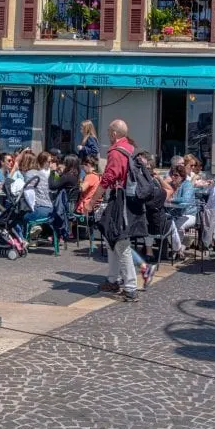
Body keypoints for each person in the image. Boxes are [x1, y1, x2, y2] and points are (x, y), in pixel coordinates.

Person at [83, 119, 139, 301]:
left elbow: (107, 179)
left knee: (121, 243)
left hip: (118, 199)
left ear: (114, 133)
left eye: (109, 131)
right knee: (111, 240)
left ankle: (130, 287)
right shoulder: (130, 148)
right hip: (127, 199)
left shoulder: (116, 152)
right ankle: (113, 279)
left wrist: (92, 202)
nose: (107, 134)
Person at [167, 162, 196, 260]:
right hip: (174, 214)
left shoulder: (187, 185)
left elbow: (186, 199)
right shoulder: (170, 185)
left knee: (178, 225)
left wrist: (172, 200)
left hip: (189, 214)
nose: (173, 177)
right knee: (167, 226)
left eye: (176, 175)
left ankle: (177, 250)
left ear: (182, 176)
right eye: (172, 174)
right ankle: (179, 250)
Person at [20, 150, 53, 230]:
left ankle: (24, 238)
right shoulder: (40, 173)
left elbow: (28, 194)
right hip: (49, 209)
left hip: (40, 209)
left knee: (18, 217)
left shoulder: (29, 174)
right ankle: (32, 232)